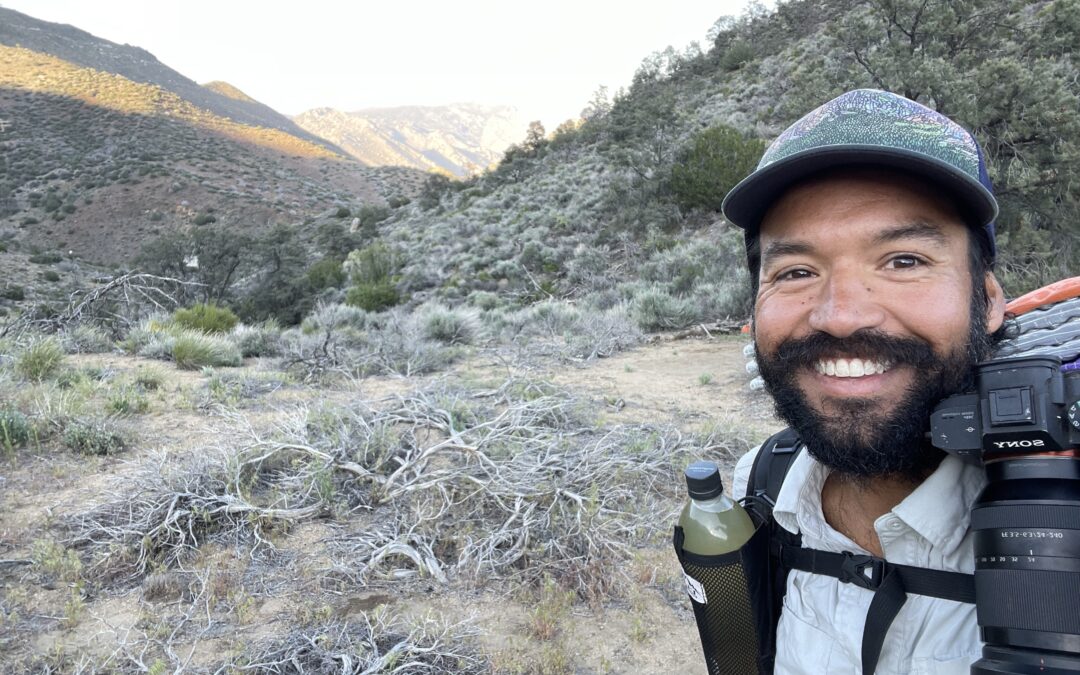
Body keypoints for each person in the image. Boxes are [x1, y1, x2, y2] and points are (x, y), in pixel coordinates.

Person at [722, 89, 1009, 674]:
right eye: (797, 271)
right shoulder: (762, 486)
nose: (842, 315)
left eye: (904, 260)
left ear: (987, 300)